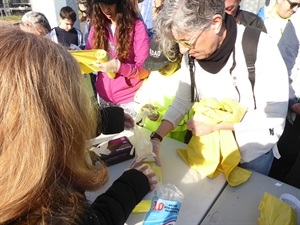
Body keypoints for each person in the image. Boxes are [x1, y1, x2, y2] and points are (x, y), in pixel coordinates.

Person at [0, 25, 157, 225]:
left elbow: (55, 129)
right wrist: (132, 185)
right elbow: (95, 220)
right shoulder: (49, 214)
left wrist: (108, 119)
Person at [149, 0, 289, 176]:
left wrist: (217, 127)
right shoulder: (192, 55)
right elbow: (182, 101)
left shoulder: (260, 47)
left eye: (187, 42)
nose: (183, 51)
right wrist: (157, 137)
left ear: (215, 23)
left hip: (251, 157)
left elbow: (273, 117)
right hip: (209, 153)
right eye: (178, 42)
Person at [85, 0, 150, 118]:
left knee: (131, 136)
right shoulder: (97, 27)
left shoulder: (137, 26)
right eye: (102, 4)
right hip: (104, 98)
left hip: (129, 99)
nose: (106, 10)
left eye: (110, 4)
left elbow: (144, 69)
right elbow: (88, 56)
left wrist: (118, 67)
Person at [268, 12, 300, 188]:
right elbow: (280, 64)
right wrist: (291, 101)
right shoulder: (298, 22)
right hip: (292, 110)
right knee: (284, 155)